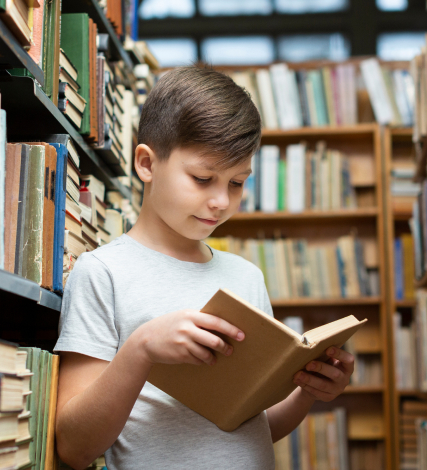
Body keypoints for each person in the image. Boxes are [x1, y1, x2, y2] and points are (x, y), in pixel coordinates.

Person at [54, 65, 354, 469]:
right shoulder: (102, 272)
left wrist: (309, 390)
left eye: (236, 183)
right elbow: (74, 447)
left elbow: (251, 426)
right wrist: (141, 349)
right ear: (147, 163)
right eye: (202, 178)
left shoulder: (246, 277)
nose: (221, 201)